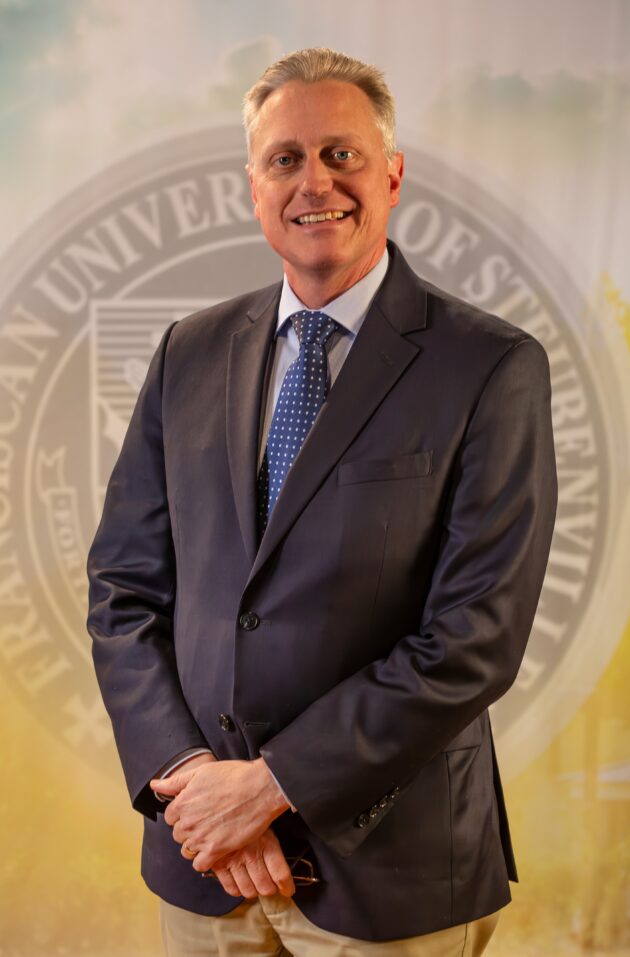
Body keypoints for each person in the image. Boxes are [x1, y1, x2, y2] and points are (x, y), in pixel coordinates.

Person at [87, 47, 557, 957]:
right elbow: (124, 589)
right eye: (285, 159)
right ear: (254, 186)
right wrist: (191, 782)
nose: (316, 182)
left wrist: (271, 786)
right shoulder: (189, 350)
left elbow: (475, 638)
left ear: (392, 172)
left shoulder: (490, 366)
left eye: (341, 154)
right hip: (205, 866)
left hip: (391, 876)